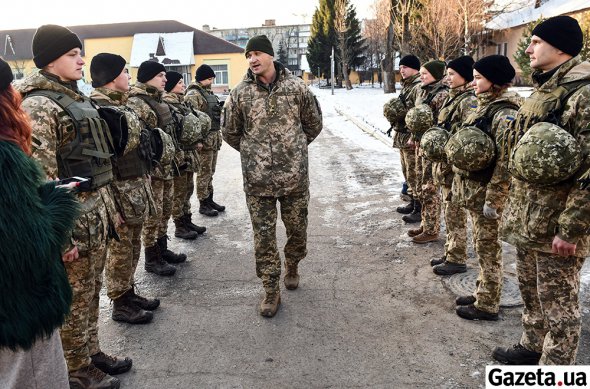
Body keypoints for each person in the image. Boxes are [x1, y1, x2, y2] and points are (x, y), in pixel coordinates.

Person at [16, 24, 130, 389]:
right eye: (72, 54)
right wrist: (60, 238)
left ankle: (90, 351)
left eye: (79, 53)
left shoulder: (73, 98)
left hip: (93, 215)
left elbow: (97, 167)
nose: (82, 59)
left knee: (89, 294)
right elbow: (41, 179)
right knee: (73, 301)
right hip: (72, 224)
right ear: (50, 60)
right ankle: (76, 370)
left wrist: (110, 208)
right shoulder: (39, 105)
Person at [494, 16, 590, 365]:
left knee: (560, 308)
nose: (529, 48)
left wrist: (571, 229)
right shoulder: (544, 89)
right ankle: (532, 346)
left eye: (536, 41)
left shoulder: (584, 94)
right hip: (528, 218)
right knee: (531, 294)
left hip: (556, 226)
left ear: (560, 47)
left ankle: (554, 374)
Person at [221, 35, 323, 317]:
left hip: (294, 179)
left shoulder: (297, 88)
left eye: (256, 54)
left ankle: (293, 264)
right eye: (248, 56)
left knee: (297, 230)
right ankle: (270, 289)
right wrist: (255, 154)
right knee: (263, 238)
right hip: (258, 182)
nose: (252, 60)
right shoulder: (240, 93)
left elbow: (313, 124)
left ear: (269, 56)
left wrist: (294, 150)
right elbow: (230, 132)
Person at [0, 58, 78, 389]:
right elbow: (28, 247)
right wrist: (58, 199)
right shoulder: (6, 159)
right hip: (19, 311)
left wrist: (38, 195)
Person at [446, 55, 520, 321]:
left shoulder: (504, 114)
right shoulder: (484, 106)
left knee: (489, 249)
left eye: (479, 78)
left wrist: (494, 200)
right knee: (481, 245)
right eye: (474, 77)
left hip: (488, 193)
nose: (474, 82)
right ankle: (483, 291)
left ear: (494, 81)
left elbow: (505, 163)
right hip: (475, 190)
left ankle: (487, 303)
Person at [90, 53, 160, 325]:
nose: (129, 77)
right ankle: (120, 302)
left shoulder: (120, 105)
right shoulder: (99, 109)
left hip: (134, 189)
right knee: (120, 252)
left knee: (131, 248)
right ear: (112, 77)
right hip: (119, 195)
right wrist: (111, 206)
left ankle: (128, 292)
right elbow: (99, 163)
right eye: (125, 72)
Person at [128, 60, 184, 275]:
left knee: (164, 212)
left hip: (166, 168)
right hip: (152, 171)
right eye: (160, 75)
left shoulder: (157, 100)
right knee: (153, 216)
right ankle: (152, 259)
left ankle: (162, 250)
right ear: (148, 77)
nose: (165, 79)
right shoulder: (137, 103)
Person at [429, 56, 477, 275]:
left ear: (464, 76)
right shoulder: (453, 97)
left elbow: (468, 135)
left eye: (452, 74)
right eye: (447, 74)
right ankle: (451, 251)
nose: (447, 78)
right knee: (449, 213)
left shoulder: (468, 100)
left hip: (455, 167)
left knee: (455, 213)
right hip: (445, 165)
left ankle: (457, 257)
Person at [405, 60, 449, 243]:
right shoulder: (423, 91)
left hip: (433, 147)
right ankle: (426, 223)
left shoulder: (442, 94)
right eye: (421, 73)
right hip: (421, 145)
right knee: (422, 186)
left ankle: (431, 229)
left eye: (425, 74)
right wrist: (414, 137)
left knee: (430, 188)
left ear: (436, 75)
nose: (421, 77)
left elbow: (439, 123)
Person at [163, 71, 208, 239]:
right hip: (179, 156)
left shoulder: (181, 103)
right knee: (179, 192)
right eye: (180, 82)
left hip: (188, 154)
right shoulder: (168, 104)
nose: (183, 85)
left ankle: (187, 220)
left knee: (188, 189)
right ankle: (179, 226)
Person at [383, 54, 422, 222]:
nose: (402, 70)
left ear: (415, 68)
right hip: (402, 136)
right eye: (400, 68)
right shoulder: (407, 86)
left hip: (410, 138)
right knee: (407, 172)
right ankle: (413, 203)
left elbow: (419, 114)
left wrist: (415, 136)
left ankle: (419, 208)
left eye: (405, 67)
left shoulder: (418, 87)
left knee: (415, 174)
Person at [185, 64, 226, 217]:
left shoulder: (206, 92)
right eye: (210, 79)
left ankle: (209, 199)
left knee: (210, 171)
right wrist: (197, 140)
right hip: (204, 141)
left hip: (212, 139)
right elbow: (191, 119)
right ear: (204, 78)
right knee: (204, 172)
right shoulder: (193, 94)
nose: (212, 81)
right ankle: (203, 203)